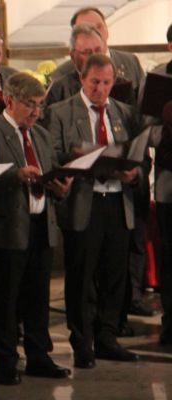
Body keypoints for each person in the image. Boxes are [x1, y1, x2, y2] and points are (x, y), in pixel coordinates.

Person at [43, 54, 144, 368]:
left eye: (107, 83)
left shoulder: (124, 112)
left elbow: (139, 156)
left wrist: (133, 174)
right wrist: (80, 159)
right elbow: (53, 155)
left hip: (117, 201)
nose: (101, 89)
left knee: (115, 275)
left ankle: (107, 338)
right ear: (82, 80)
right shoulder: (61, 112)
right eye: (95, 83)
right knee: (82, 277)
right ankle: (82, 341)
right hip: (84, 202)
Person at [0, 72, 72, 385]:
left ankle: (39, 357)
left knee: (38, 297)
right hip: (5, 229)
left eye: (40, 104)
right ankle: (5, 362)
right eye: (30, 104)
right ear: (9, 100)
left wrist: (60, 188)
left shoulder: (41, 135)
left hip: (40, 225)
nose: (36, 112)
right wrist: (14, 175)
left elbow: (49, 173)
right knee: (5, 301)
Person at [50, 7, 145, 97]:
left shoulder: (131, 62)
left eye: (98, 27)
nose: (94, 33)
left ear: (107, 29)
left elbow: (143, 101)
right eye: (85, 29)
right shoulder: (61, 75)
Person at [149, 23, 172, 345]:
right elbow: (146, 130)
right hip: (170, 184)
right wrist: (167, 132)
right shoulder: (157, 79)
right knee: (170, 256)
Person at [44, 23, 105, 108]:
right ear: (73, 56)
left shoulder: (119, 86)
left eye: (98, 50)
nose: (94, 57)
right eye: (87, 52)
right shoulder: (59, 90)